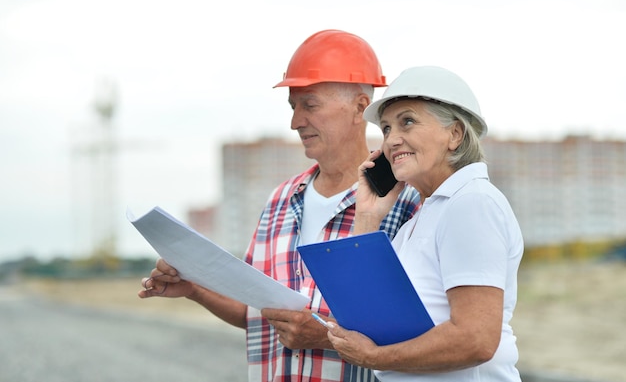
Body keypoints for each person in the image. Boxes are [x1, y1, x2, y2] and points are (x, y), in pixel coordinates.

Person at [138, 30, 421, 382]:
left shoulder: (406, 201)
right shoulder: (280, 201)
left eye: (309, 104)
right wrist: (195, 288)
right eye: (293, 107)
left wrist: (323, 337)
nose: (295, 121)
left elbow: (424, 336)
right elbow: (254, 311)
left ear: (360, 108)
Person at [324, 66, 524, 382]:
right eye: (387, 129)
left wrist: (374, 357)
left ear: (455, 135)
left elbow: (476, 340)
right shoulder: (421, 218)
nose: (392, 140)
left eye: (408, 122)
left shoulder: (471, 203)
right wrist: (367, 216)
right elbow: (364, 312)